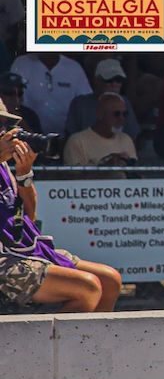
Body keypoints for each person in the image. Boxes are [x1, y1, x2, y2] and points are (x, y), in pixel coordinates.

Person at [0, 111, 121, 313]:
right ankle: (50, 336)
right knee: (87, 288)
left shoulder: (4, 166)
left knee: (110, 280)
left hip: (21, 249)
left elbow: (30, 215)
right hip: (4, 259)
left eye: (5, 125)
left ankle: (87, 336)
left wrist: (24, 174)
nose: (5, 132)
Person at [9, 52, 91, 134]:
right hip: (29, 134)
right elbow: (10, 101)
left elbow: (86, 103)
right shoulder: (21, 63)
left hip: (65, 136)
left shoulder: (74, 68)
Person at [63, 59, 141, 141]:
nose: (114, 84)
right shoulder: (80, 104)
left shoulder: (124, 103)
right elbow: (70, 137)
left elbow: (132, 136)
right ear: (97, 80)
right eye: (109, 80)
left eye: (118, 80)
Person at [62, 93, 137, 173]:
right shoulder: (77, 141)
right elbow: (73, 177)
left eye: (125, 114)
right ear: (100, 114)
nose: (121, 119)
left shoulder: (126, 140)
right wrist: (106, 167)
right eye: (116, 114)